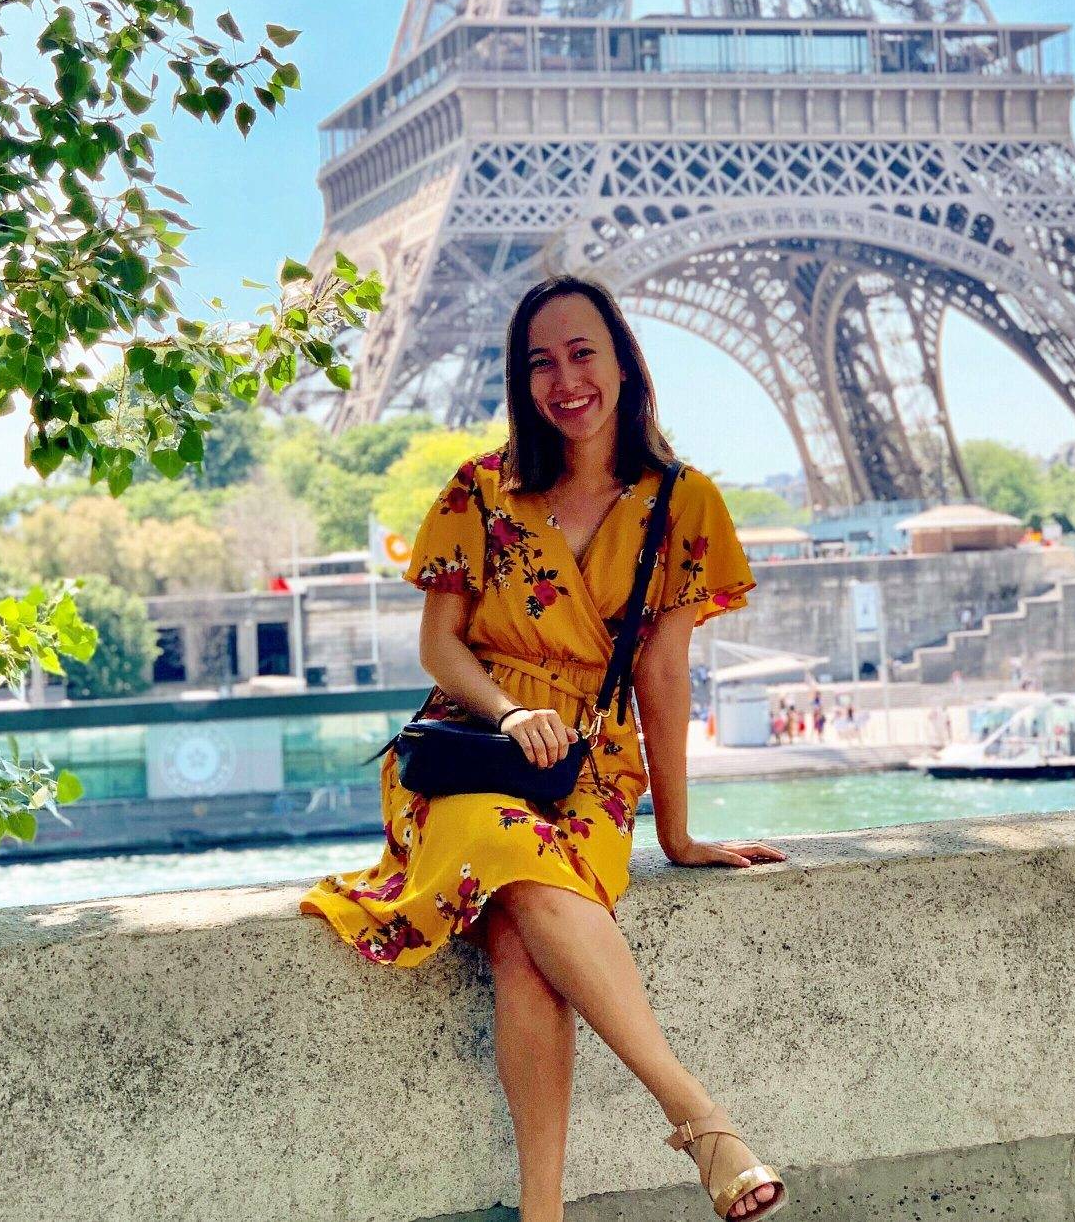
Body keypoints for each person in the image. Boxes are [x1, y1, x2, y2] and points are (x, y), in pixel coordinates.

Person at [299, 275, 788, 1221]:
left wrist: (679, 836)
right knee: (506, 845)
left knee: (524, 943)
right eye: (540, 362)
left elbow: (663, 675)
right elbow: (439, 643)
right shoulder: (481, 489)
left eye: (581, 354)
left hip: (587, 774)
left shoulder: (684, 504)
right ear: (522, 382)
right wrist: (508, 711)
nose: (564, 379)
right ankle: (700, 1118)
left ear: (622, 364)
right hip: (471, 753)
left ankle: (543, 1216)